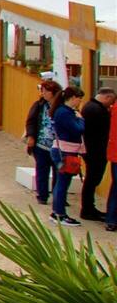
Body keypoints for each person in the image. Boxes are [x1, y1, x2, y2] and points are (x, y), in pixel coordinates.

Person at [50, 87, 86, 226]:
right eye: (79, 98)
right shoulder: (64, 112)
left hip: (65, 150)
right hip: (65, 151)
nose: (80, 101)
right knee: (63, 183)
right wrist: (81, 119)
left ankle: (57, 212)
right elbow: (78, 129)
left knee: (62, 182)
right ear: (72, 98)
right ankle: (59, 214)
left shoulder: (63, 111)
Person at [80, 88, 112, 222]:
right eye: (111, 102)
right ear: (107, 97)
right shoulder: (97, 110)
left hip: (90, 150)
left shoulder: (89, 106)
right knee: (92, 180)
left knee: (91, 180)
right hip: (95, 151)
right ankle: (87, 209)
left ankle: (88, 208)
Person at [27, 80, 61, 205]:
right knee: (42, 170)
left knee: (58, 172)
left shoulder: (61, 107)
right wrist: (31, 136)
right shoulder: (39, 105)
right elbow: (31, 121)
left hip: (58, 145)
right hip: (41, 143)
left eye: (46, 91)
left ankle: (58, 196)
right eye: (43, 91)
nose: (43, 93)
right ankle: (42, 195)